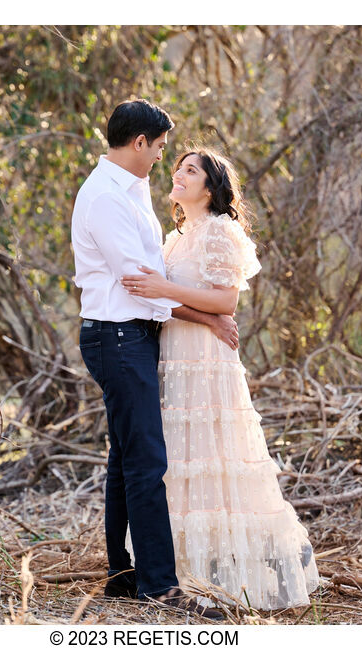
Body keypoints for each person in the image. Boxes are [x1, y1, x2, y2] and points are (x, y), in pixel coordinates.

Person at [120, 148, 320, 610]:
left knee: (214, 453)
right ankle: (183, 571)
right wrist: (192, 310)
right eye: (178, 167)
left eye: (190, 170)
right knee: (179, 460)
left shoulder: (220, 231)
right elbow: (168, 303)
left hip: (207, 362)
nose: (178, 174)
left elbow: (226, 302)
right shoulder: (175, 237)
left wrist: (178, 297)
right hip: (173, 352)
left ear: (209, 187)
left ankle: (240, 575)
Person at [71, 101, 235, 619]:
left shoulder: (131, 189)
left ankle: (122, 576)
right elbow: (142, 284)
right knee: (147, 462)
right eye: (161, 148)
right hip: (117, 336)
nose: (163, 159)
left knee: (124, 460)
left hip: (130, 336)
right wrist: (206, 317)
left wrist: (194, 313)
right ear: (139, 142)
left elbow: (152, 282)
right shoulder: (103, 198)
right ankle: (160, 588)